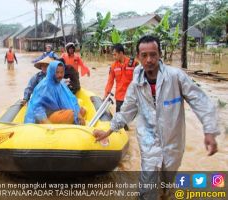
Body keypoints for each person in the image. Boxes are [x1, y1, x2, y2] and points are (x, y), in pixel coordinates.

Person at [93, 35, 220, 199]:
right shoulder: (136, 85)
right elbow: (126, 111)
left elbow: (200, 100)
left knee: (167, 181)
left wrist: (209, 130)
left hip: (173, 141)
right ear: (138, 57)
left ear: (160, 55)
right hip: (148, 141)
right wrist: (109, 130)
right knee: (147, 185)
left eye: (153, 54)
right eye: (144, 55)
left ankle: (165, 193)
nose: (149, 60)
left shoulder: (176, 77)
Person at [24, 60, 85, 125]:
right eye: (57, 72)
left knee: (82, 110)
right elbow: (37, 107)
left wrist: (77, 112)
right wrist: (47, 123)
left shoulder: (60, 84)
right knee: (72, 115)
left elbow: (71, 98)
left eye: (62, 72)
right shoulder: (45, 86)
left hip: (56, 110)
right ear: (52, 72)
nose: (60, 75)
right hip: (47, 116)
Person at [104, 43, 138, 130]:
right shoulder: (113, 66)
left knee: (135, 115)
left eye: (115, 54)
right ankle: (124, 132)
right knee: (119, 120)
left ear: (121, 53)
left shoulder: (134, 63)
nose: (113, 57)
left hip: (131, 96)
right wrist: (106, 94)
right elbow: (110, 82)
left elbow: (140, 78)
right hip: (119, 96)